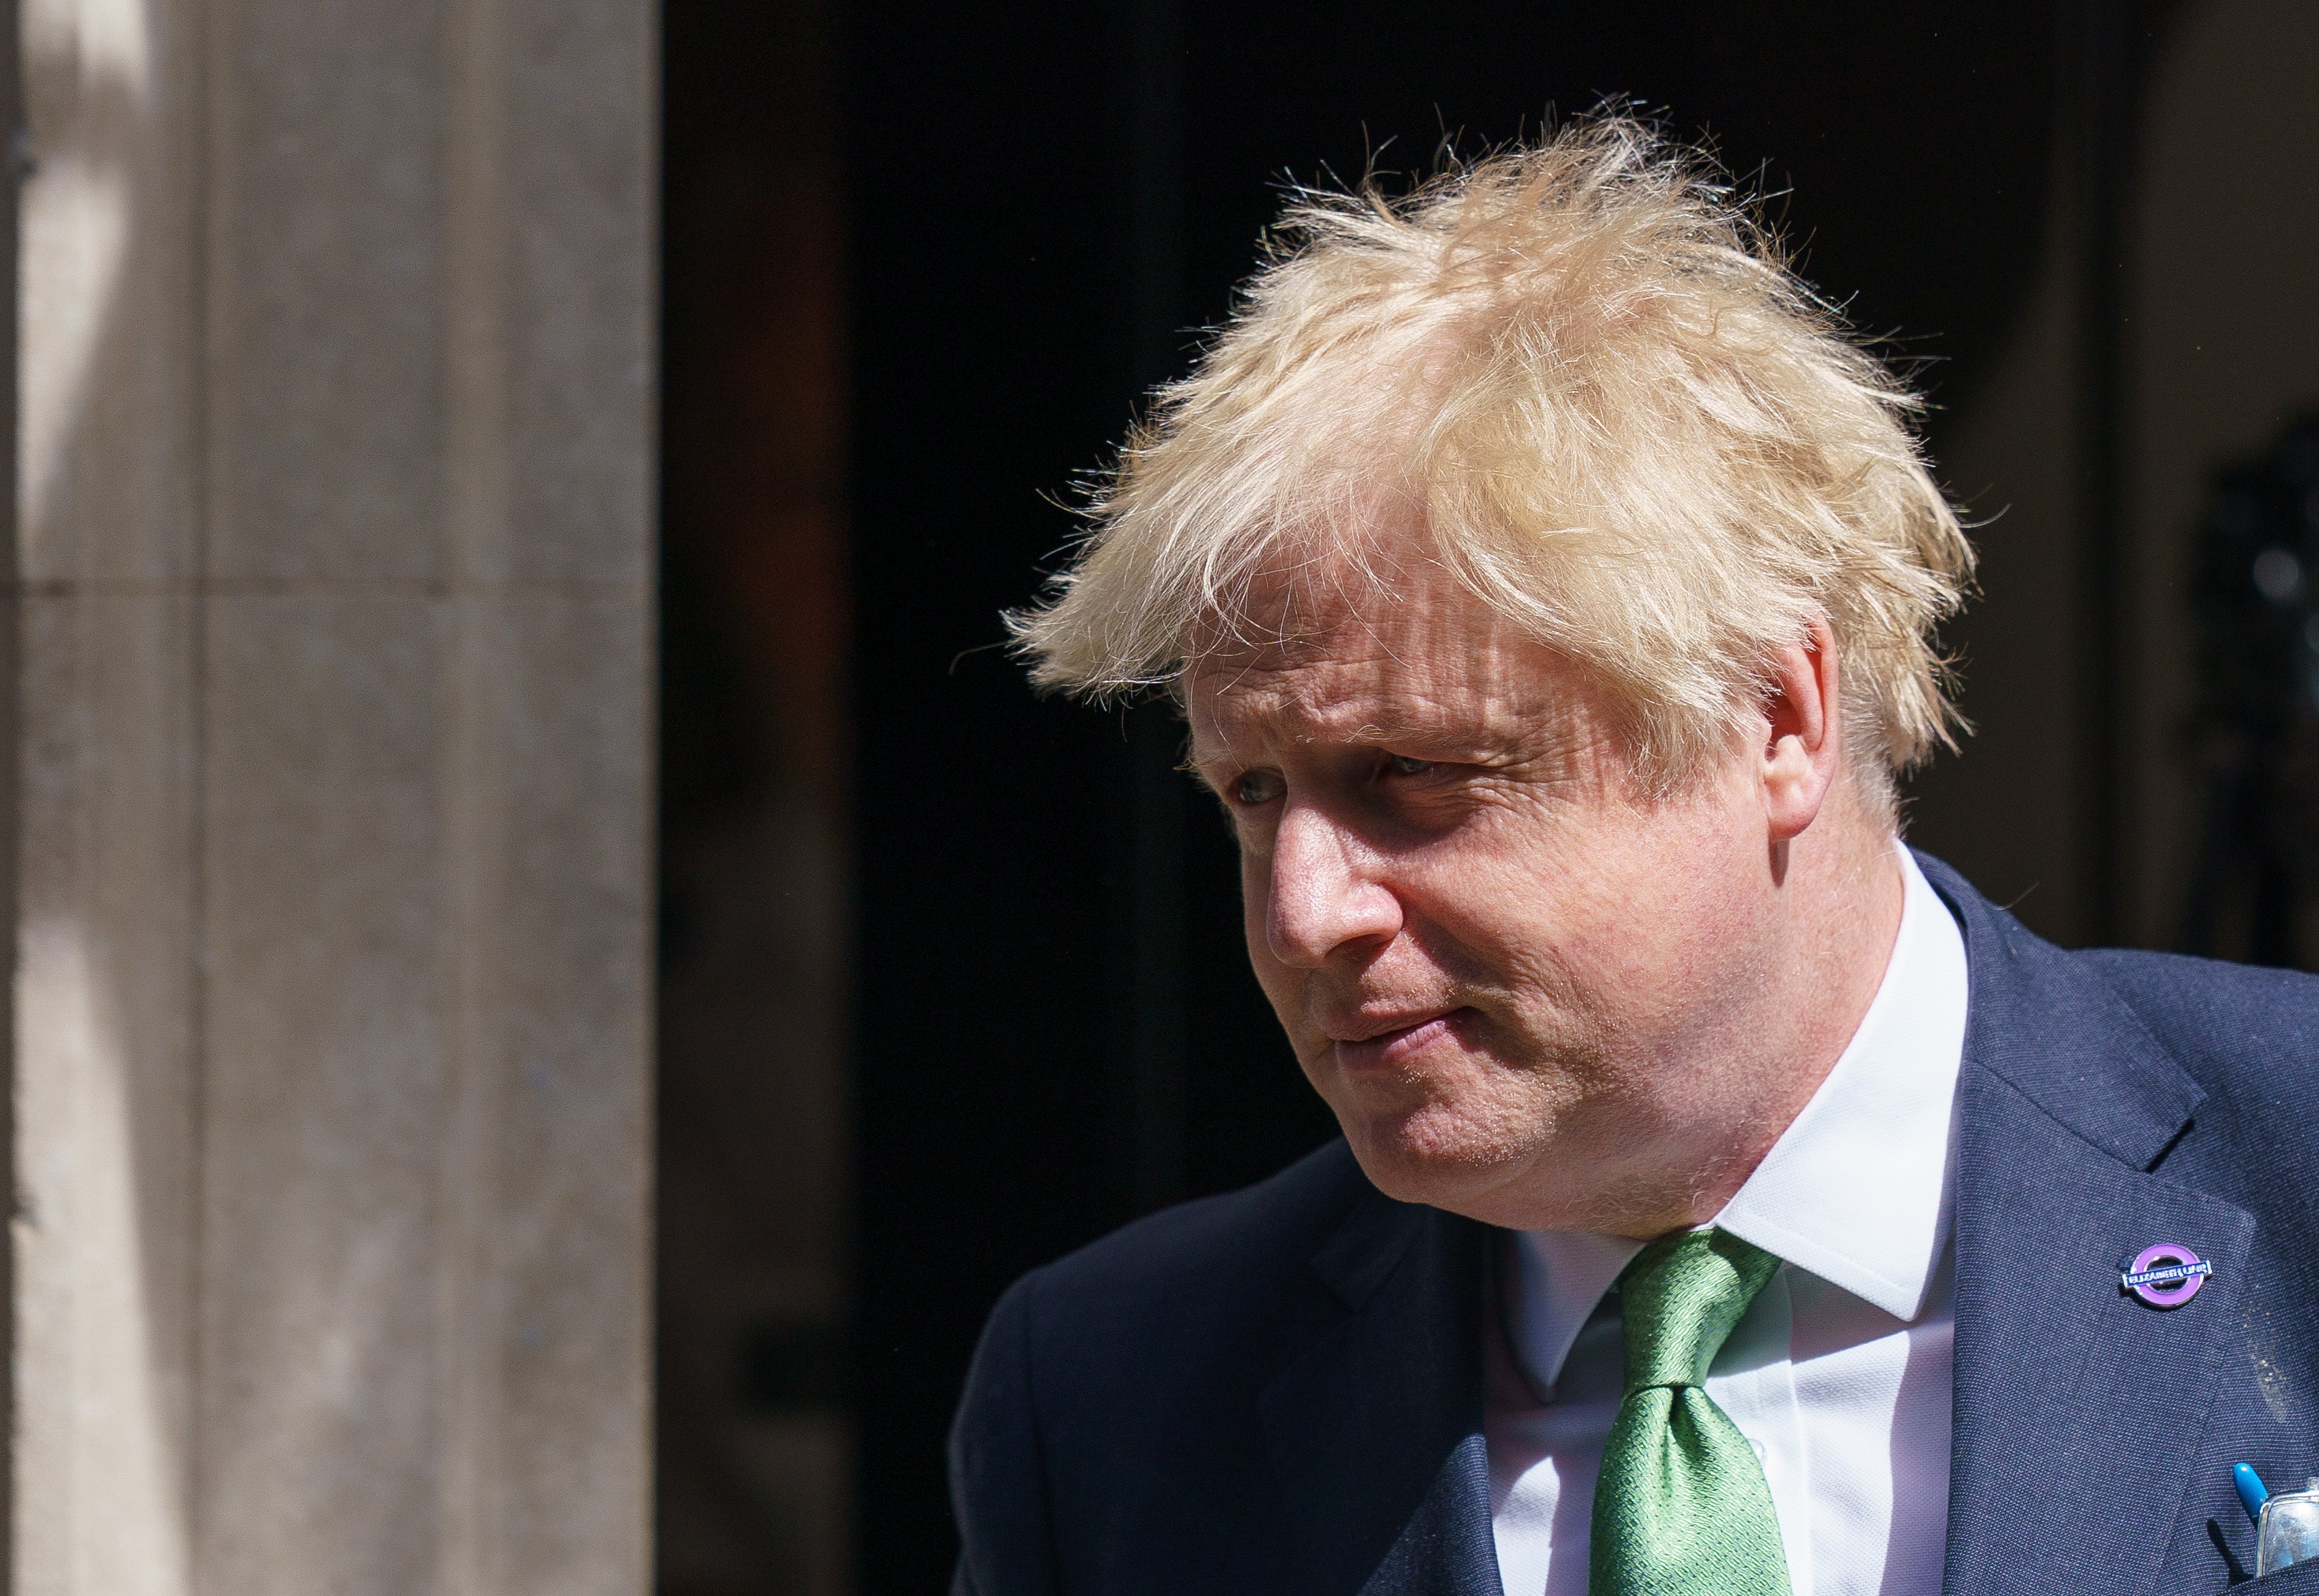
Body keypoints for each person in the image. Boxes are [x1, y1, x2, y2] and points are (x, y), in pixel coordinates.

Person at [949, 116, 2319, 1596]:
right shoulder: (1111, 1400)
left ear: (1772, 715)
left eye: (1413, 774)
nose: (1301, 912)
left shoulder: (2286, 1165)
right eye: (1253, 794)